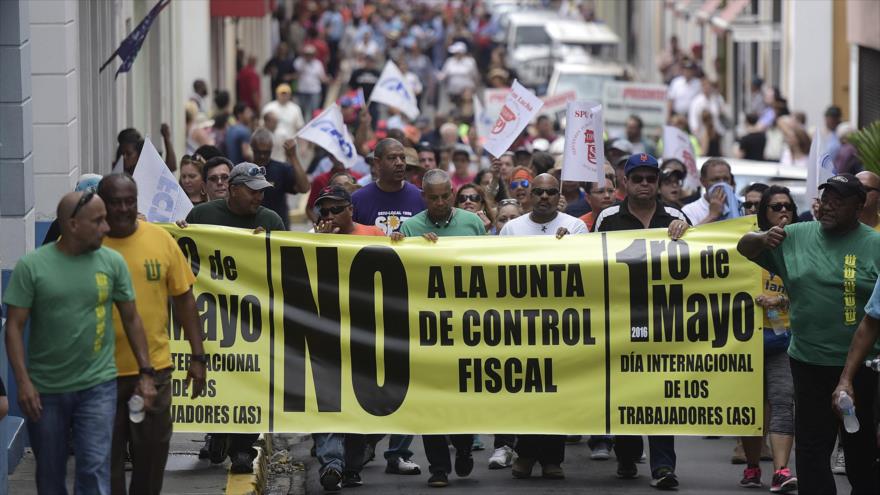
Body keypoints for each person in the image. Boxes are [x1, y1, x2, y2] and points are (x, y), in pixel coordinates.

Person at [3, 191, 157, 494]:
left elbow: (132, 318)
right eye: (98, 221)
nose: (106, 228)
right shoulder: (32, 266)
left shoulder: (112, 262)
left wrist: (146, 372)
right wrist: (23, 383)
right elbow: (14, 328)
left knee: (93, 469)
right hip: (46, 390)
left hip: (97, 387)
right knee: (49, 476)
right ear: (72, 225)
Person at [737, 174, 880, 495]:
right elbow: (744, 247)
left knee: (861, 453)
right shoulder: (796, 234)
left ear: (859, 206)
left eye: (838, 201)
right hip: (808, 362)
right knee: (813, 451)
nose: (827, 206)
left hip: (862, 368)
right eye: (825, 198)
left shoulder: (874, 245)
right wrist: (760, 239)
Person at [97, 175, 207, 495]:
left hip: (153, 373)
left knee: (151, 460)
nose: (123, 208)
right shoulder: (89, 244)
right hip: (98, 376)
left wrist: (198, 357)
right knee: (106, 466)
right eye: (115, 202)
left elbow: (185, 301)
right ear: (102, 204)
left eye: (130, 201)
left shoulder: (160, 241)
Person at [595, 153, 690, 490]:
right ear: (626, 182)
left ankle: (664, 467)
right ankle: (627, 451)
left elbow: (702, 260)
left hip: (665, 321)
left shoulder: (677, 216)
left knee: (661, 393)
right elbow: (589, 263)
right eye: (639, 179)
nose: (646, 185)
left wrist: (687, 232)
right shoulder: (608, 218)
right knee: (626, 390)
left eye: (652, 179)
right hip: (621, 320)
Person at [184, 163, 284, 473]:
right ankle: (219, 432)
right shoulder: (202, 216)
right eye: (252, 191)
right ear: (233, 189)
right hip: (213, 315)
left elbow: (285, 268)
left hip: (254, 319)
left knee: (251, 379)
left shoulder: (271, 221)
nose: (258, 197)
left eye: (262, 191)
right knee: (219, 375)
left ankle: (242, 447)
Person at [390, 169, 483, 487]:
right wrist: (407, 245)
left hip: (466, 327)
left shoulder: (473, 223)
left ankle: (464, 446)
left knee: (463, 396)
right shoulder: (411, 227)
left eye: (446, 196)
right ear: (423, 197)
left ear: (453, 193)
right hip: (426, 330)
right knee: (429, 400)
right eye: (434, 197)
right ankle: (438, 468)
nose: (441, 202)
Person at [499, 174, 586, 480]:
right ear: (528, 195)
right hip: (522, 325)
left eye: (551, 192)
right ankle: (525, 454)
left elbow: (584, 271)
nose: (545, 197)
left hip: (561, 324)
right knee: (528, 392)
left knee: (556, 393)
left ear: (558, 195)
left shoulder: (575, 226)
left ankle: (553, 459)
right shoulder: (512, 228)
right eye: (539, 192)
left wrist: (570, 248)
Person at [310, 185, 383, 491]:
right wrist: (322, 244)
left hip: (367, 336)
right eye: (323, 211)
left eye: (335, 209)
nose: (329, 216)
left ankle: (353, 462)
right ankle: (332, 463)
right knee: (328, 402)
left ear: (351, 209)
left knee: (365, 409)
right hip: (327, 335)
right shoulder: (311, 241)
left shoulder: (374, 235)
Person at [737, 185, 798, 492]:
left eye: (788, 206)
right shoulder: (748, 243)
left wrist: (782, 301)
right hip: (745, 340)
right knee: (751, 406)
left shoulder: (801, 243)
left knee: (782, 401)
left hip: (784, 340)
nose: (783, 211)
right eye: (776, 207)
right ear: (764, 214)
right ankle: (751, 467)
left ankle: (781, 470)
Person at [352, 138, 426, 236]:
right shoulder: (358, 199)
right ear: (377, 163)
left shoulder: (421, 198)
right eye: (392, 157)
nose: (399, 163)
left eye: (403, 158)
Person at [250, 128, 310, 229]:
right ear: (252, 148)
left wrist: (293, 156)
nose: (262, 156)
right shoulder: (244, 170)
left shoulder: (281, 169)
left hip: (278, 230)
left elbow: (304, 188)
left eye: (266, 152)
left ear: (271, 149)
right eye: (258, 152)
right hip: (251, 229)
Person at [680, 158, 735, 225]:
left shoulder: (741, 206)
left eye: (726, 179)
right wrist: (712, 216)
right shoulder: (690, 210)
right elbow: (693, 235)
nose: (722, 184)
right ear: (703, 182)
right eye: (716, 180)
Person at [293, 45, 328, 120]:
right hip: (302, 89)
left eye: (310, 54)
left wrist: (327, 80)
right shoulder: (299, 61)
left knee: (314, 110)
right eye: (307, 54)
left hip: (314, 90)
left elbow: (322, 77)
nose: (309, 56)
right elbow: (296, 73)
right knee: (302, 110)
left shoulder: (318, 63)